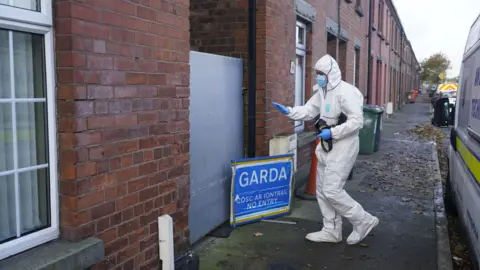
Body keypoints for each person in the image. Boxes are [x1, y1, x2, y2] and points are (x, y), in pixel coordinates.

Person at [272, 54, 379, 245]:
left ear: (331, 73)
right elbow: (309, 110)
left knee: (332, 190)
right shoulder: (322, 91)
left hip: (343, 145)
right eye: (317, 73)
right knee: (322, 190)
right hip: (326, 145)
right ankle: (331, 230)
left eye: (321, 73)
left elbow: (357, 121)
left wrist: (334, 133)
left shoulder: (346, 92)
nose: (318, 76)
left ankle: (363, 220)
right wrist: (290, 111)